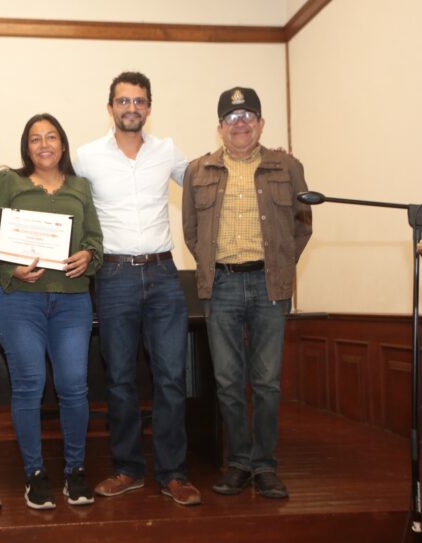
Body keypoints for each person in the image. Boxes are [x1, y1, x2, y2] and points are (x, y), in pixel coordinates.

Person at [75, 72, 201, 505]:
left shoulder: (167, 151)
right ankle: (127, 469)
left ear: (149, 107)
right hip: (114, 278)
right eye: (123, 100)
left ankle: (173, 474)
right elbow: (60, 195)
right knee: (120, 379)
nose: (131, 107)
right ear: (110, 107)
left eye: (139, 101)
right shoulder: (87, 157)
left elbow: (208, 181)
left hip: (164, 276)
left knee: (171, 378)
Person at [182, 86, 312, 499]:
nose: (240, 124)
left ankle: (265, 465)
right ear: (220, 127)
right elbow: (191, 232)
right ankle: (238, 463)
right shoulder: (198, 171)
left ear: (260, 123)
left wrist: (280, 266)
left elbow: (302, 225)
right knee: (227, 381)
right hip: (220, 285)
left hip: (268, 284)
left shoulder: (287, 166)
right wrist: (216, 267)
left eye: (248, 116)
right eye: (232, 118)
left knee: (267, 382)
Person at [0, 113, 103, 510]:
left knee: (74, 385)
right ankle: (35, 473)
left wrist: (89, 255)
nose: (44, 144)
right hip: (21, 301)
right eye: (36, 139)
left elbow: (95, 239)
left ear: (63, 145)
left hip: (72, 300)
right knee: (29, 385)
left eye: (51, 137)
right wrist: (8, 268)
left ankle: (75, 470)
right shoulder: (8, 182)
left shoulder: (80, 187)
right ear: (26, 147)